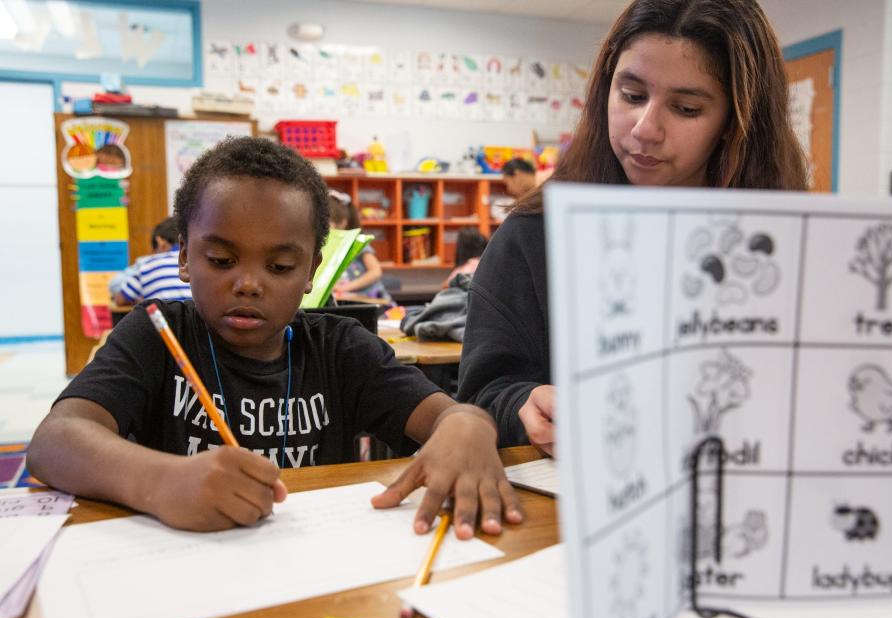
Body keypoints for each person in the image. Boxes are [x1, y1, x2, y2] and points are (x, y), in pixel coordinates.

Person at [27, 137, 522, 539]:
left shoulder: (339, 349)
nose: (248, 283)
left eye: (281, 266)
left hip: (310, 565)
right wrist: (160, 481)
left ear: (311, 271)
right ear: (183, 258)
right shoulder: (157, 335)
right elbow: (54, 442)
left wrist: (469, 423)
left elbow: (452, 417)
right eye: (221, 260)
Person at [457, 0, 807, 454]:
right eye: (632, 95)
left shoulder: (779, 244)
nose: (644, 129)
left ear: (736, 122)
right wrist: (523, 405)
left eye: (685, 108)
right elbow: (478, 399)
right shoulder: (533, 236)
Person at [329, 190, 395, 304]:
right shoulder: (328, 247)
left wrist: (347, 287)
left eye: (326, 223)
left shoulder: (357, 243)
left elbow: (375, 271)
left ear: (342, 223)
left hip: (372, 301)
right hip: (347, 302)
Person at [111, 217, 191, 305]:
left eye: (154, 250)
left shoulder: (147, 265)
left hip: (162, 318)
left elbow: (120, 299)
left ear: (160, 242)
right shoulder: (195, 262)